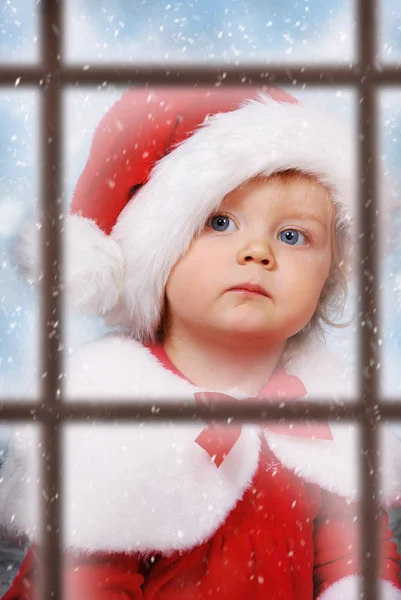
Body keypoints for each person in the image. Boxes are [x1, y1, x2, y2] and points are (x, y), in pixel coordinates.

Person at [1, 86, 401, 599]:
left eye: (293, 236)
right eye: (220, 222)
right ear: (157, 253)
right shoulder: (113, 414)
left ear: (331, 277)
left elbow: (360, 556)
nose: (257, 251)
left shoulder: (324, 410)